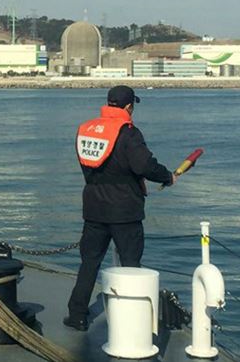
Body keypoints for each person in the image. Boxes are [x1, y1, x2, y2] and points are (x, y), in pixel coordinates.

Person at [64, 85, 175, 331]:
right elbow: (144, 166)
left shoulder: (86, 130)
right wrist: (167, 176)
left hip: (93, 208)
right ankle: (131, 322)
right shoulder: (129, 133)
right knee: (131, 266)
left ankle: (76, 316)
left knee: (89, 264)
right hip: (125, 211)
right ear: (128, 107)